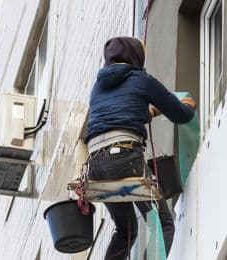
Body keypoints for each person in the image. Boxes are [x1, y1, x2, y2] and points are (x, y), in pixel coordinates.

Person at [84, 36, 195, 259]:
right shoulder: (141, 79)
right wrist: (188, 106)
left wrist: (150, 113)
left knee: (125, 232)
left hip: (96, 165)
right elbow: (179, 114)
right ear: (136, 56)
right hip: (125, 160)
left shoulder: (97, 88)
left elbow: (117, 116)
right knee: (163, 225)